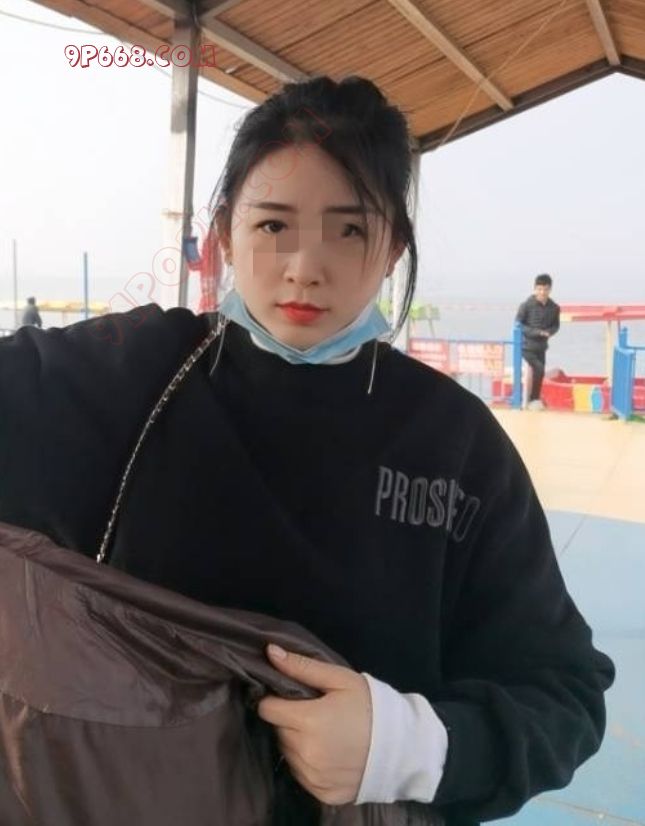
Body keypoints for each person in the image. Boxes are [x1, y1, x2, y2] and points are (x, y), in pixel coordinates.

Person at [0, 76, 613, 825]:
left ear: (393, 248)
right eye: (272, 225)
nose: (304, 267)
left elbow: (562, 695)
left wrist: (404, 745)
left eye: (348, 231)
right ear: (223, 235)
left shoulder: (455, 443)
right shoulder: (132, 372)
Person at [515, 274, 560, 409]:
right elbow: (518, 324)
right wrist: (537, 332)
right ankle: (533, 399)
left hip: (541, 347)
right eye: (539, 289)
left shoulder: (554, 308)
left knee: (540, 371)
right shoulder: (526, 305)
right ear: (535, 289)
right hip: (526, 347)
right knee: (539, 368)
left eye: (545, 289)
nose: (542, 292)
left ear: (550, 289)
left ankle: (534, 399)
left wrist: (549, 332)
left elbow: (556, 326)